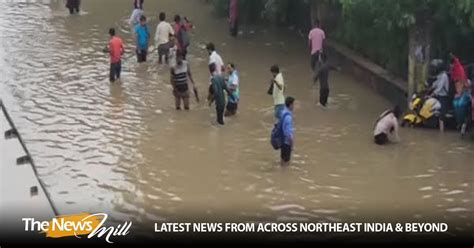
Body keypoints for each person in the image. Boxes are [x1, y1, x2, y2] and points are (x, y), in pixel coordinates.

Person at [430, 65, 450, 131]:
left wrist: (433, 93)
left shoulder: (444, 76)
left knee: (441, 116)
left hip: (444, 97)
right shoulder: (441, 75)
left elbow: (440, 87)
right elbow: (436, 83)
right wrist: (430, 87)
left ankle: (442, 131)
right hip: (439, 96)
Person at [280, 97, 295, 166]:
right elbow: (288, 133)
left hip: (282, 140)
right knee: (286, 163)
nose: (294, 106)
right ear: (290, 105)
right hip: (286, 143)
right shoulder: (288, 117)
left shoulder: (283, 112)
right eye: (293, 104)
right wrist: (292, 144)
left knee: (282, 160)